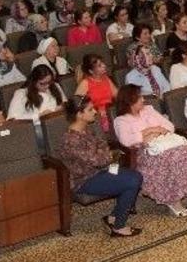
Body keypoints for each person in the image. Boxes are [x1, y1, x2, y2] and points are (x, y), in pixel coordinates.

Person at [58, 96, 143, 237]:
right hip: (84, 180)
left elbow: (102, 143)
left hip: (99, 171)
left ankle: (113, 218)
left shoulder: (85, 129)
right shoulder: (71, 139)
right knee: (133, 180)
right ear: (79, 114)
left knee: (135, 176)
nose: (95, 112)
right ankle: (118, 226)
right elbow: (97, 160)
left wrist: (103, 154)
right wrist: (107, 155)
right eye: (90, 109)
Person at [113, 84, 187, 216]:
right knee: (171, 159)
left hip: (165, 144)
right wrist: (150, 131)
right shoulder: (121, 121)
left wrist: (153, 133)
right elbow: (126, 140)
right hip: (144, 153)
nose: (143, 99)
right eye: (139, 98)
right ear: (130, 102)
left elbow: (169, 126)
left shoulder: (148, 110)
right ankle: (172, 199)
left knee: (186, 154)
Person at [7, 65, 66, 148]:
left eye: (49, 82)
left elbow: (65, 104)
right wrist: (38, 116)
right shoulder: (21, 93)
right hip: (36, 130)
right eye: (42, 83)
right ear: (34, 81)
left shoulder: (55, 86)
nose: (47, 86)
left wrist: (61, 109)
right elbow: (13, 118)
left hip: (58, 124)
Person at [75, 54, 118, 130]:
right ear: (91, 71)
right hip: (95, 119)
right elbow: (79, 107)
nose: (104, 66)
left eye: (102, 63)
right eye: (99, 65)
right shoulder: (85, 83)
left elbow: (118, 95)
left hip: (110, 113)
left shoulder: (106, 79)